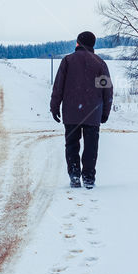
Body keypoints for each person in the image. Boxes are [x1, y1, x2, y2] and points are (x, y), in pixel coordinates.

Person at [49, 31, 113, 189]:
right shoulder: (100, 63)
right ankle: (89, 178)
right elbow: (107, 91)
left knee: (71, 144)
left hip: (71, 112)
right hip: (93, 113)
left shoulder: (67, 61)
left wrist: (54, 106)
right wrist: (105, 112)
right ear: (93, 45)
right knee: (91, 146)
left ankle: (75, 175)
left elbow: (58, 86)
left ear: (78, 43)